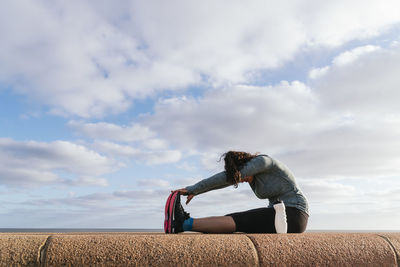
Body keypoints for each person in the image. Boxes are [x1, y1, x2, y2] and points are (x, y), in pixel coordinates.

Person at [170, 151, 309, 234]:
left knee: (239, 220)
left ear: (245, 165)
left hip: (295, 213)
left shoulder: (263, 162)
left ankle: (182, 223)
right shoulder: (253, 179)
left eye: (241, 174)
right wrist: (196, 191)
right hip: (280, 215)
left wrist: (193, 189)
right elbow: (226, 181)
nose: (241, 179)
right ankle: (184, 223)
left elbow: (225, 178)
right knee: (234, 219)